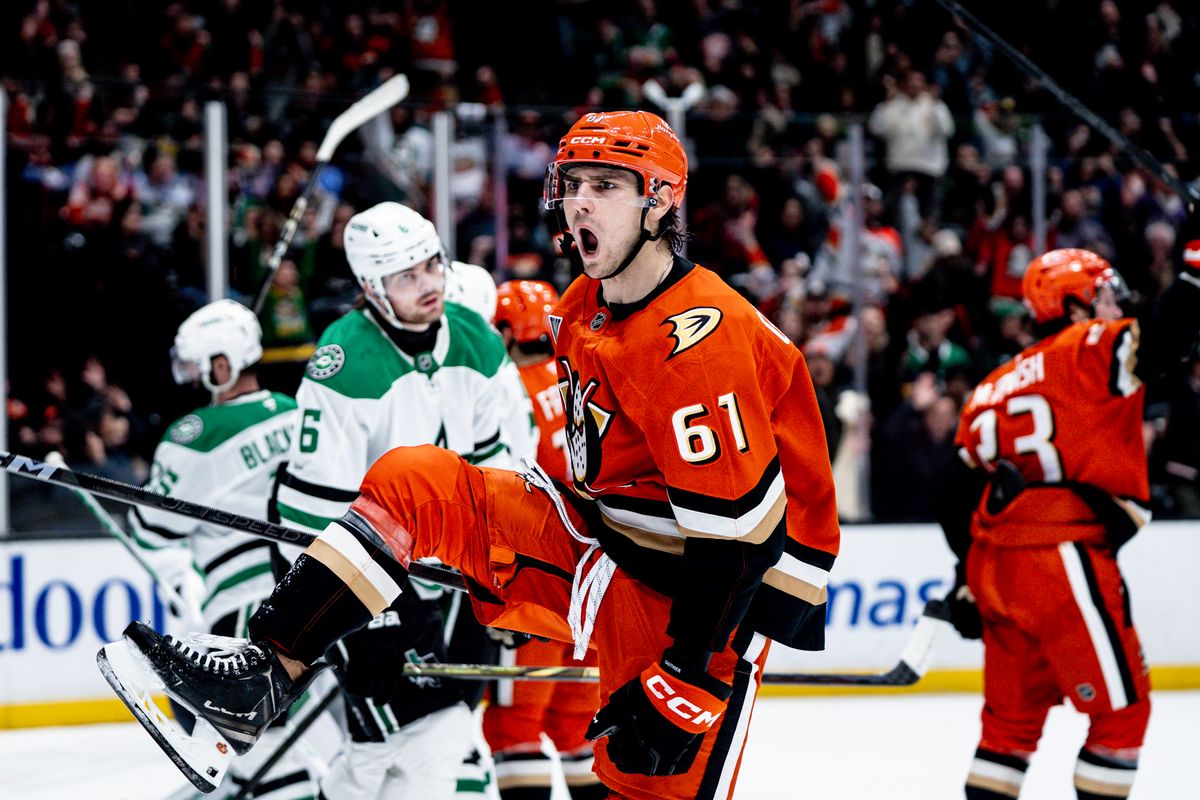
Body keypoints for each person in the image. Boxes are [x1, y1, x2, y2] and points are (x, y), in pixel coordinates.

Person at [109, 110, 841, 800]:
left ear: (659, 203)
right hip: (610, 539)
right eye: (575, 184)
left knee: (641, 780)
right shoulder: (589, 302)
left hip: (697, 600)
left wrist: (689, 678)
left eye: (607, 186)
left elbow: (740, 544)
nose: (581, 203)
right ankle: (264, 675)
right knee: (412, 482)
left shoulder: (695, 346)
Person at [270, 200, 516, 799]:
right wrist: (366, 603)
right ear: (371, 287)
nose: (429, 284)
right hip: (355, 568)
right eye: (407, 277)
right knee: (424, 734)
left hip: (449, 569)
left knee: (399, 742)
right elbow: (312, 510)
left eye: (432, 265)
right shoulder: (345, 360)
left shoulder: (477, 341)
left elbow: (499, 474)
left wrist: (505, 569)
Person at [937, 246, 1200, 800]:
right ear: (1076, 303)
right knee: (1122, 714)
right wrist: (1194, 267)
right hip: (1060, 556)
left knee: (1009, 730)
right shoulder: (1087, 348)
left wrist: (965, 575)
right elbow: (1164, 342)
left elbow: (953, 491)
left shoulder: (990, 387)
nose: (1116, 306)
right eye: (1105, 294)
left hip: (995, 568)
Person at [128, 299, 341, 799]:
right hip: (318, 603)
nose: (193, 375)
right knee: (334, 748)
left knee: (262, 761)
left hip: (240, 619)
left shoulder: (193, 435)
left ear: (222, 365)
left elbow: (152, 528)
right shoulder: (298, 413)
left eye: (198, 364)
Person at [485, 279, 604, 800]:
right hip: (599, 581)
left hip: (536, 579)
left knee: (516, 727)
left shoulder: (508, 391)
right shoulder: (585, 377)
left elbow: (503, 487)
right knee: (578, 727)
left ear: (506, 331)